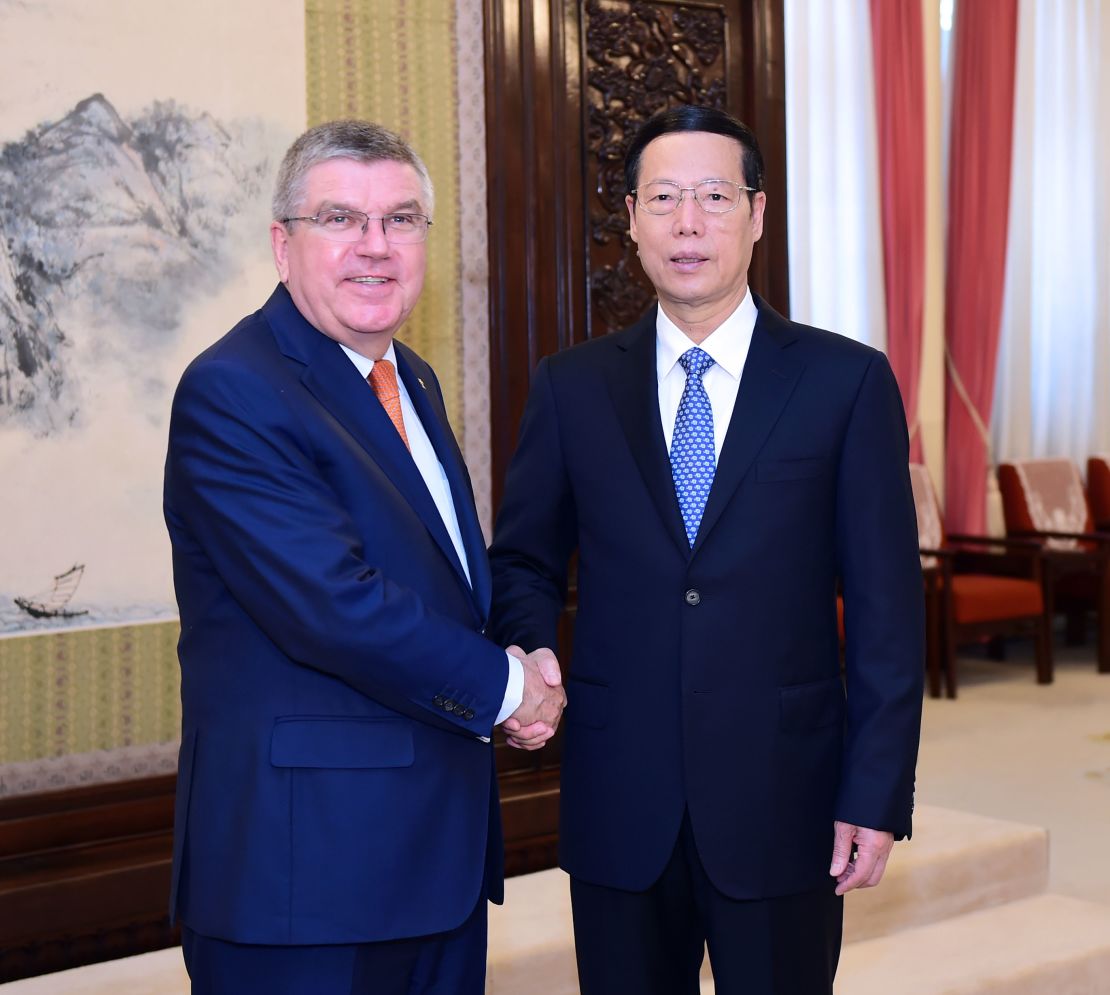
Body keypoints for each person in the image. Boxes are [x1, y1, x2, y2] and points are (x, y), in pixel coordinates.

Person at [487, 105, 924, 994]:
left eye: (715, 196)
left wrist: (874, 793)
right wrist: (530, 649)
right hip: (619, 797)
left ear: (757, 215)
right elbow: (525, 560)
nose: (689, 223)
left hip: (785, 797)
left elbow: (886, 611)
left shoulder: (844, 383)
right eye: (665, 198)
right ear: (633, 219)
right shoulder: (572, 386)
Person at [163, 119, 565, 995]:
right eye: (341, 219)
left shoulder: (407, 376)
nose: (375, 247)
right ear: (283, 242)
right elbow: (333, 604)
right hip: (306, 881)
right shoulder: (233, 389)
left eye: (402, 219)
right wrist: (508, 690)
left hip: (433, 866)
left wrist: (526, 652)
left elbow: (445, 581)